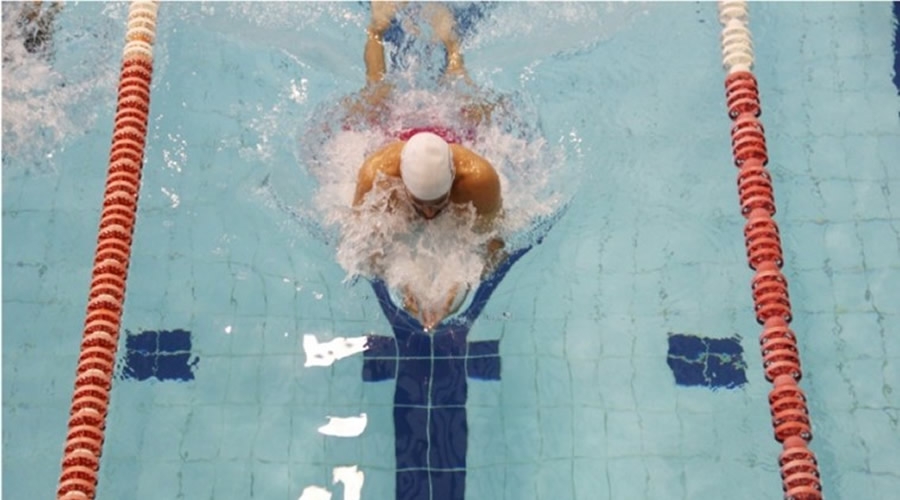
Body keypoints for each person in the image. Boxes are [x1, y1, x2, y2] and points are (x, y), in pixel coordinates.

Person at [349, 1, 506, 330]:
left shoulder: (478, 177)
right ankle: (376, 26)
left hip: (452, 134)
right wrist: (401, 283)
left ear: (455, 181)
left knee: (461, 82)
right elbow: (365, 249)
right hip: (396, 135)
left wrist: (459, 287)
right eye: (421, 204)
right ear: (402, 185)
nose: (431, 215)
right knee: (375, 91)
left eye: (438, 203)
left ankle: (452, 43)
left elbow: (494, 247)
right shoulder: (376, 173)